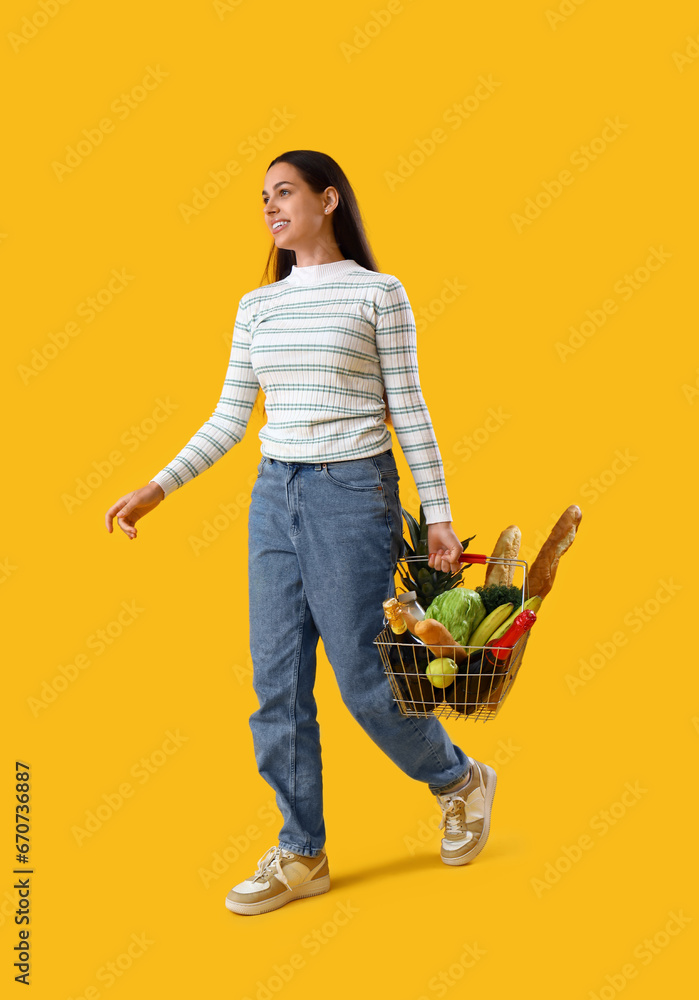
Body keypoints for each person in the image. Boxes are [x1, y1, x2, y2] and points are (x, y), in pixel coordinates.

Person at [104, 149, 497, 917]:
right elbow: (229, 418)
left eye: (283, 192)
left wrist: (439, 512)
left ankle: (458, 779)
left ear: (328, 199)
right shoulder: (259, 306)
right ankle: (301, 852)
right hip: (272, 496)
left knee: (363, 679)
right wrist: (157, 486)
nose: (270, 207)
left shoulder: (378, 294)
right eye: (262, 198)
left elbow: (408, 407)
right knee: (275, 683)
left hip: (352, 496)